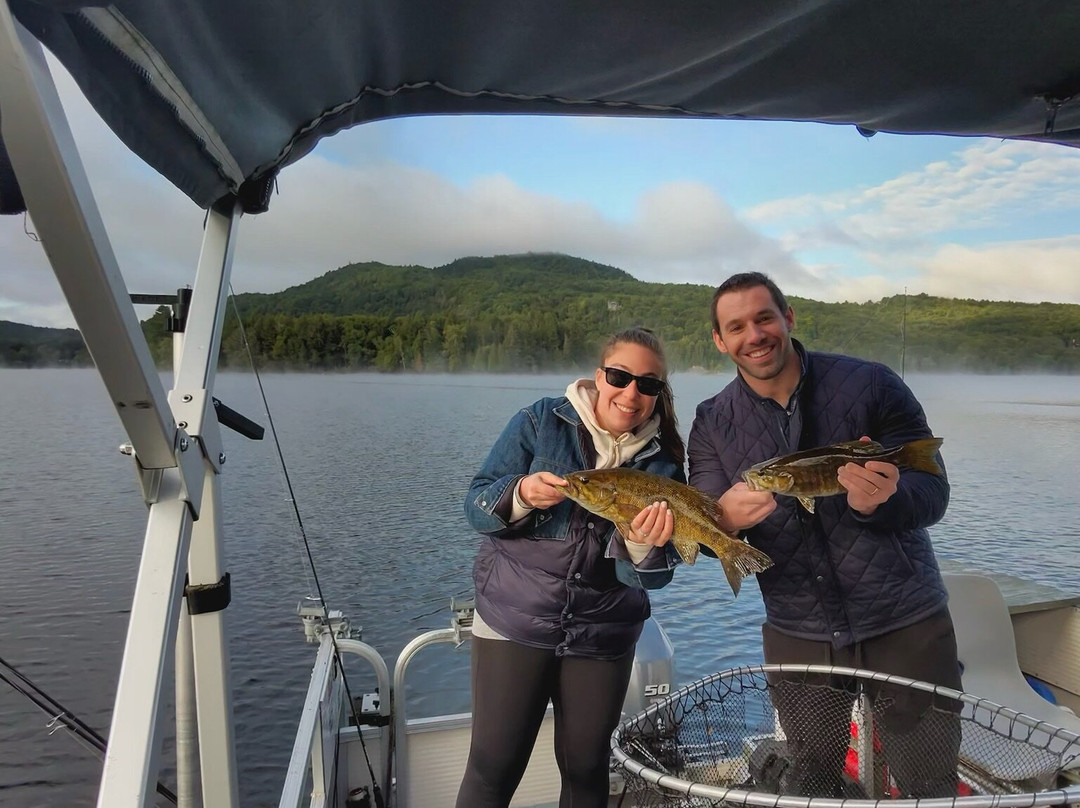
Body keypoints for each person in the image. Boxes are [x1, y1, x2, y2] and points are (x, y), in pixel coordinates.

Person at [688, 272, 961, 799]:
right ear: (721, 342)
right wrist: (723, 518)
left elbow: (933, 491)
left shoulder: (871, 384)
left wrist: (883, 501)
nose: (755, 334)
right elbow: (703, 529)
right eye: (737, 326)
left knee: (931, 786)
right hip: (798, 631)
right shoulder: (712, 422)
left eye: (765, 317)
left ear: (788, 317)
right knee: (809, 787)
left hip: (904, 620)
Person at [456, 326, 686, 808]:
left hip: (603, 635)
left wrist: (641, 547)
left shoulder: (663, 462)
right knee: (492, 769)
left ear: (659, 395)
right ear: (599, 376)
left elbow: (656, 577)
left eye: (648, 384)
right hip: (513, 622)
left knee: (586, 771)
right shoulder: (542, 421)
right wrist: (519, 495)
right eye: (621, 376)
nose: (631, 393)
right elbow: (477, 506)